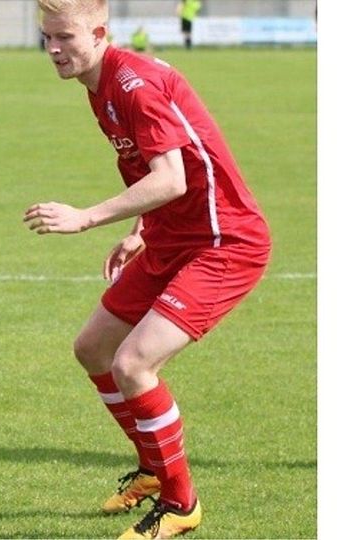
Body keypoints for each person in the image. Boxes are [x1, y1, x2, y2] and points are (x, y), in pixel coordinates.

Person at [28, 0, 271, 538]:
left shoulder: (132, 84)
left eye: (64, 37)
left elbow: (173, 179)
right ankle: (154, 471)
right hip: (173, 236)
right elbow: (151, 167)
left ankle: (182, 506)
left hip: (223, 241)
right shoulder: (101, 84)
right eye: (46, 37)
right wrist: (140, 232)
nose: (52, 48)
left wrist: (88, 216)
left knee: (134, 363)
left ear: (99, 32)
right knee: (93, 347)